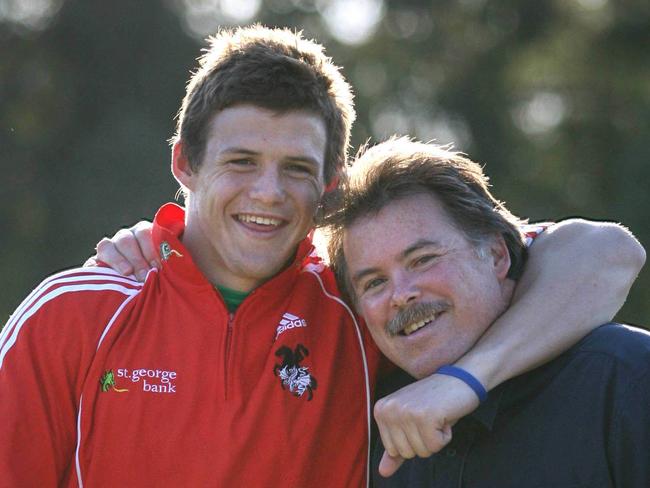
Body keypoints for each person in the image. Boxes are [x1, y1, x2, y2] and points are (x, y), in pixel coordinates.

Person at [0, 25, 644, 487]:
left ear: (330, 183)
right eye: (242, 162)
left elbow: (607, 252)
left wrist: (463, 379)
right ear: (184, 163)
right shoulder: (74, 314)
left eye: (296, 169)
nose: (268, 193)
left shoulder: (361, 300)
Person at [324, 136, 649, 487]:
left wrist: (464, 381)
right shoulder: (371, 431)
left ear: (496, 255)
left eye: (423, 260)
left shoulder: (624, 379)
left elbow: (608, 248)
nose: (401, 295)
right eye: (374, 283)